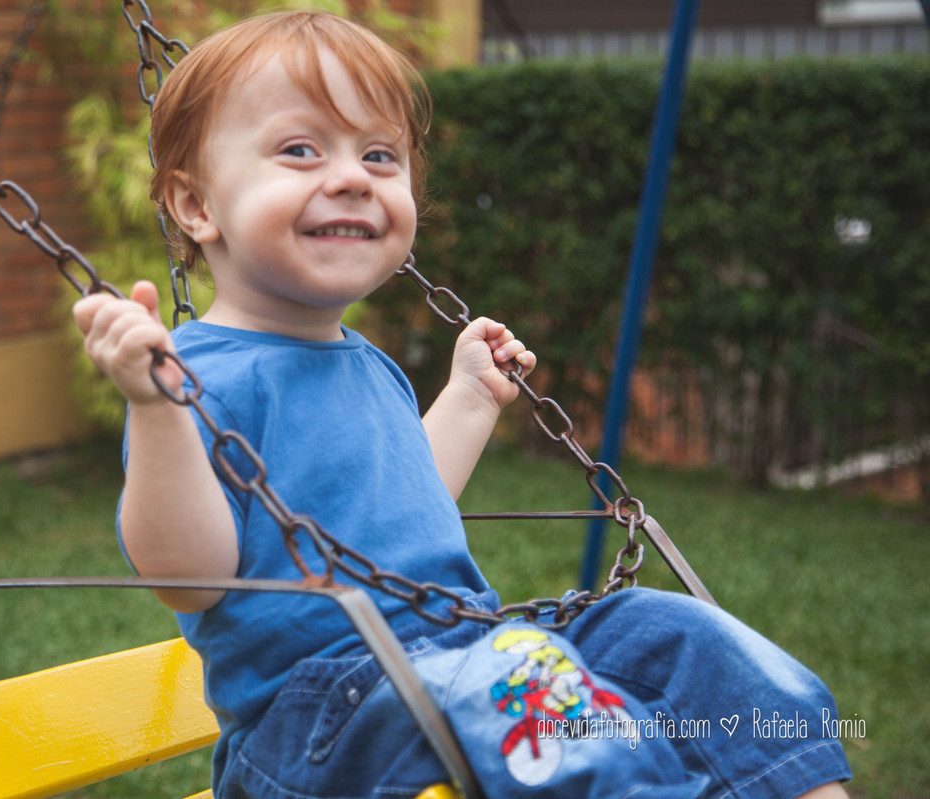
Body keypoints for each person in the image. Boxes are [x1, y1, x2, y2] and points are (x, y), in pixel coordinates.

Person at [74, 11, 851, 799]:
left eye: (379, 155)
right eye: (300, 150)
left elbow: (405, 508)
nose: (352, 177)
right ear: (196, 205)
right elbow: (189, 579)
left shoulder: (368, 363)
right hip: (314, 723)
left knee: (669, 632)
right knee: (528, 684)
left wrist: (472, 398)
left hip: (460, 653)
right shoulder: (191, 377)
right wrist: (154, 408)